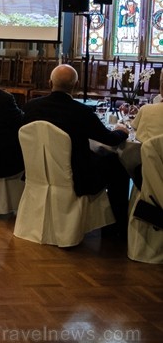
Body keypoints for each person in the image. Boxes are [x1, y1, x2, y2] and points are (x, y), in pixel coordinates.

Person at [23, 64, 130, 235]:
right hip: (76, 176)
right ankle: (115, 230)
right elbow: (109, 140)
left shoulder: (30, 107)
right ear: (76, 85)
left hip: (38, 170)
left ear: (50, 83)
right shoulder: (82, 112)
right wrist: (121, 131)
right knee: (116, 164)